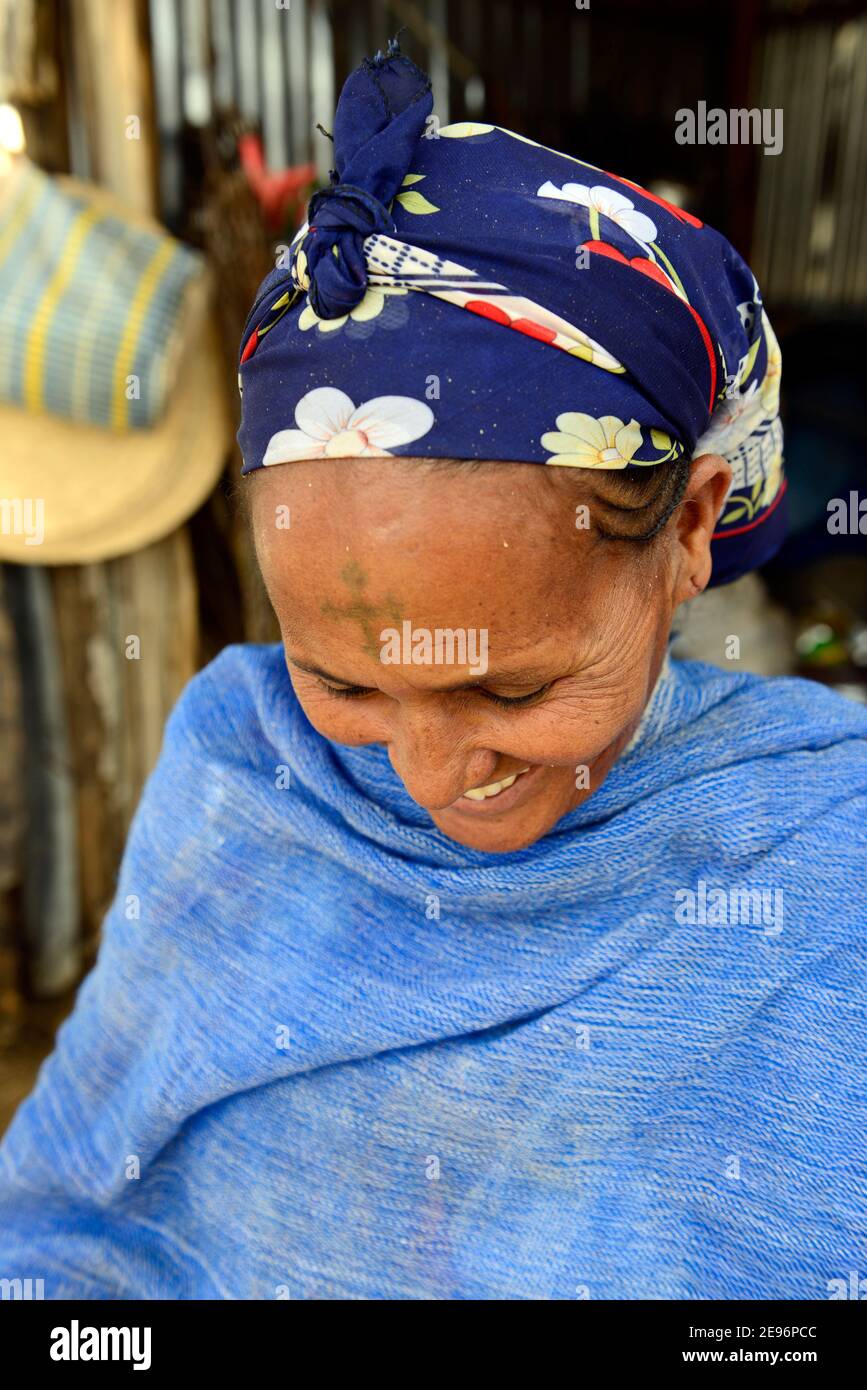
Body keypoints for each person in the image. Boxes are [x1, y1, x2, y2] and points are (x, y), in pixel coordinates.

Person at [1, 41, 865, 1301]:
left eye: (510, 692)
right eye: (344, 683)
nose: (429, 771)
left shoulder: (825, 857)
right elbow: (65, 1217)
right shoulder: (239, 771)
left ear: (688, 531)